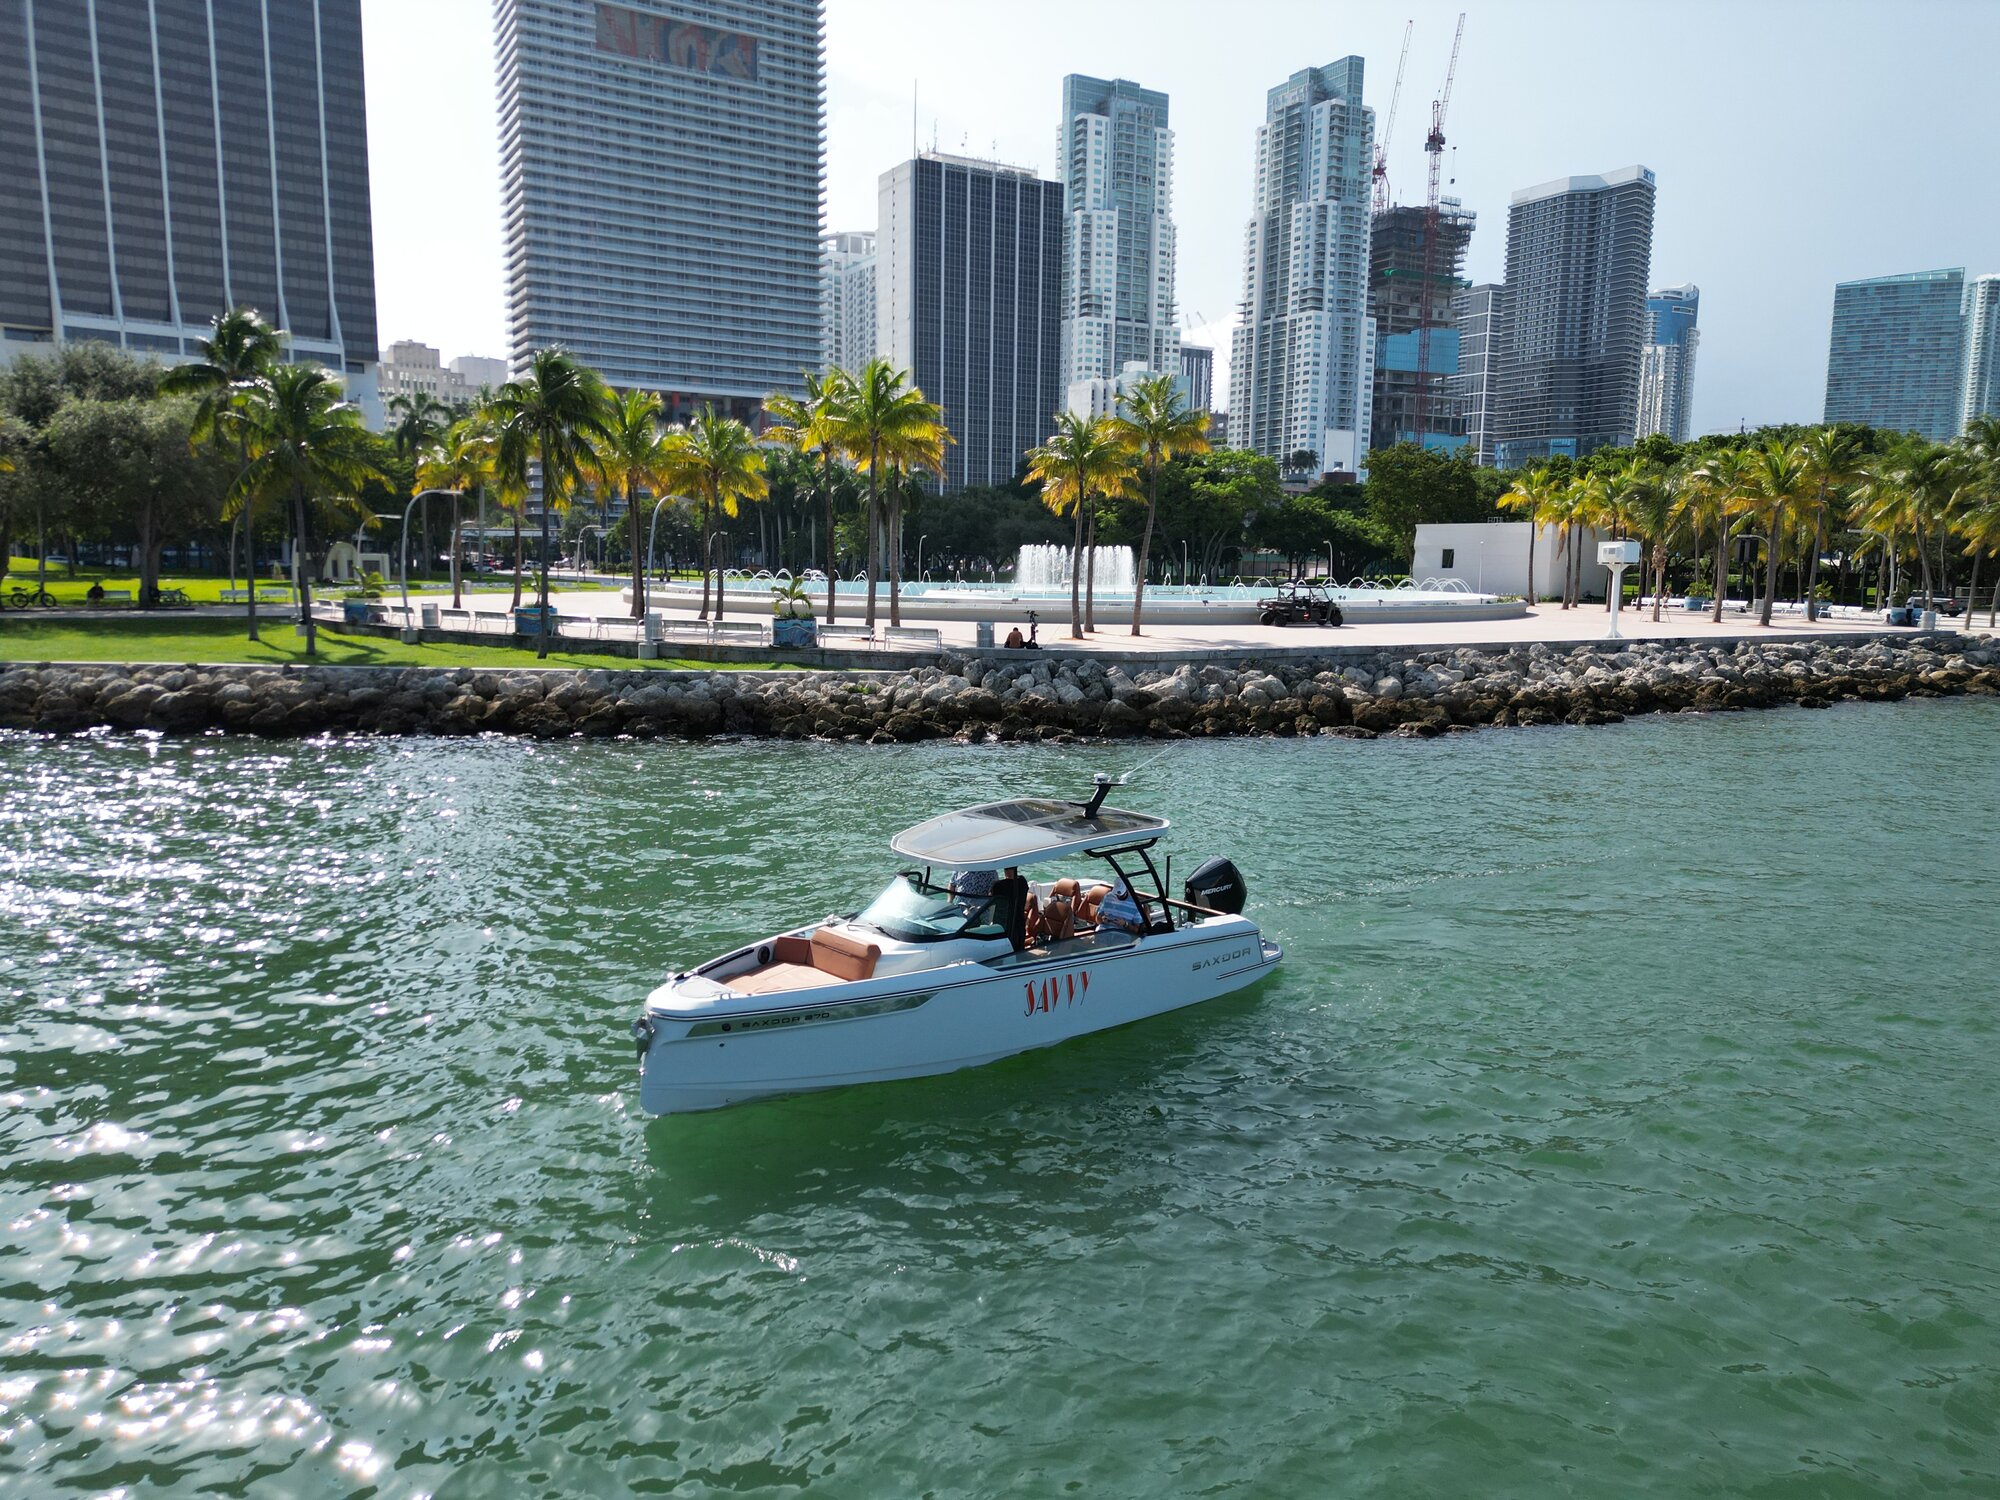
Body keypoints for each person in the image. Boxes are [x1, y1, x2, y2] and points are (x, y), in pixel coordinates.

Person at [990, 866, 1032, 951]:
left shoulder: (998, 885)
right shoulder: (1022, 882)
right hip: (1019, 925)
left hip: (1003, 926)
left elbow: (990, 899)